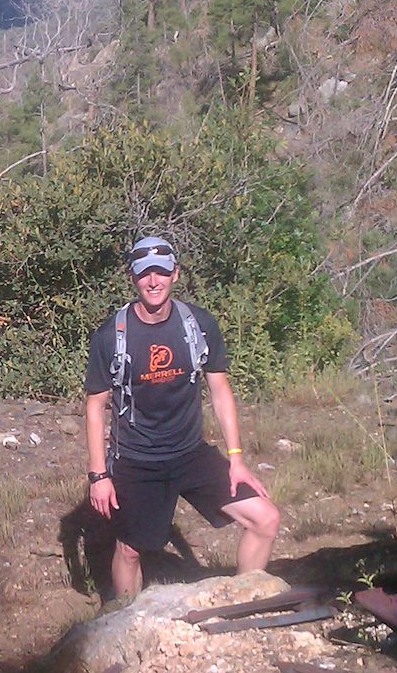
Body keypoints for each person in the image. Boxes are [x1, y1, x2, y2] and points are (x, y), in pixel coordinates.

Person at [84, 234, 280, 602]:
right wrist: (99, 476)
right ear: (132, 278)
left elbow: (220, 390)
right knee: (129, 549)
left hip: (191, 453)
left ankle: (242, 604)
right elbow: (95, 406)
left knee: (265, 519)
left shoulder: (198, 325)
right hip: (138, 460)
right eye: (145, 274)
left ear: (176, 273)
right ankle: (123, 624)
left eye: (161, 272)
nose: (153, 281)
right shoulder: (112, 335)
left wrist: (236, 459)